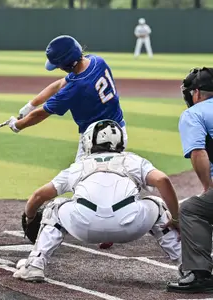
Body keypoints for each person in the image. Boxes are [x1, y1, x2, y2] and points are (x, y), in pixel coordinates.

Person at [13, 119, 181, 282]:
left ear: (89, 141)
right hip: (131, 226)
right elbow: (163, 180)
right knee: (157, 205)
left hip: (84, 228)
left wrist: (30, 216)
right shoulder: (134, 161)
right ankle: (188, 266)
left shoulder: (78, 166)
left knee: (54, 207)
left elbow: (38, 196)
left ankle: (34, 265)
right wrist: (175, 218)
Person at [8, 35, 128, 163]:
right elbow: (60, 83)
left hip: (97, 141)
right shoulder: (96, 60)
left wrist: (17, 125)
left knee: (79, 179)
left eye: (59, 66)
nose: (59, 68)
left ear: (67, 65)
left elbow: (41, 114)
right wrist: (31, 105)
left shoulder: (76, 87)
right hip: (119, 130)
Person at [167, 68, 213, 293]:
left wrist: (207, 187)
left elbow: (198, 152)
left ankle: (199, 274)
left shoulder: (194, 114)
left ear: (196, 93)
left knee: (192, 209)